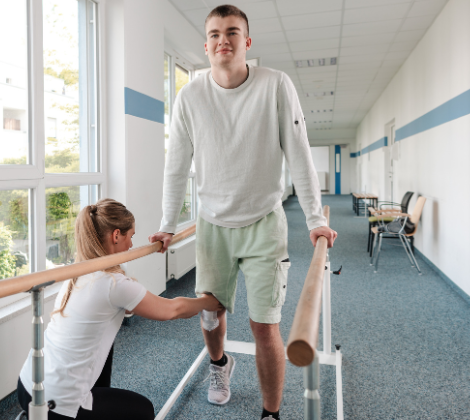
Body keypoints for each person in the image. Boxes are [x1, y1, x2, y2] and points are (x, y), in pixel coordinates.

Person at [149, 5, 338, 420]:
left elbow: (300, 156)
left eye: (232, 32)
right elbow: (176, 165)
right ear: (206, 45)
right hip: (213, 226)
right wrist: (167, 225)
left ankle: (270, 413)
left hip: (264, 225)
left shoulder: (275, 85)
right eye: (215, 33)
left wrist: (315, 220)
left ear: (246, 43)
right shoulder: (190, 96)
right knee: (211, 314)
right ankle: (219, 367)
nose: (224, 40)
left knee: (264, 327)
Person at [17, 198, 223, 420]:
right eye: (130, 237)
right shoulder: (113, 283)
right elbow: (172, 310)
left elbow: (114, 308)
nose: (132, 245)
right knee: (143, 411)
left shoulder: (78, 269)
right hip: (57, 404)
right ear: (116, 235)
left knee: (106, 340)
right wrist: (209, 302)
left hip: (27, 386)